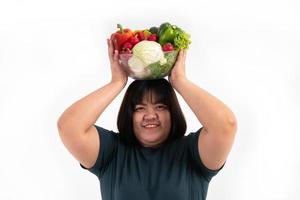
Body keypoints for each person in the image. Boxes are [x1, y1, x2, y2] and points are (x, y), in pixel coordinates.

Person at [57, 38, 237, 200]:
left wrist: (180, 81)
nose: (150, 115)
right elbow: (69, 127)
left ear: (172, 112)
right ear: (129, 114)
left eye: (160, 107)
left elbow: (225, 126)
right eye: (140, 108)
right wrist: (117, 83)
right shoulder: (112, 152)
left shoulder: (192, 153)